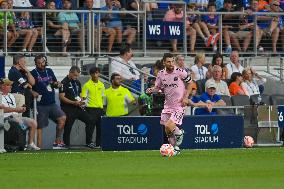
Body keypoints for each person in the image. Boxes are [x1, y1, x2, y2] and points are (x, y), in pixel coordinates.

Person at [146, 53, 193, 156]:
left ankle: (179, 134)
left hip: (179, 105)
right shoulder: (161, 74)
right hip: (167, 105)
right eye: (168, 62)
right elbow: (158, 87)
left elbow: (190, 83)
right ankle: (175, 148)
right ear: (164, 62)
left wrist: (186, 97)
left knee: (169, 125)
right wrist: (152, 89)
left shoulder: (180, 72)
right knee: (167, 129)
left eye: (172, 61)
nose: (171, 64)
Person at [30, 55, 66, 149]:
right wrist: (32, 91)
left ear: (45, 62)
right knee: (39, 127)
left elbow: (54, 83)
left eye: (42, 62)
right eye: (38, 63)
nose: (41, 64)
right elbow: (28, 87)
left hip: (52, 103)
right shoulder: (33, 73)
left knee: (62, 118)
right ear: (35, 63)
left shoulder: (49, 70)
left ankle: (57, 142)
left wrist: (57, 84)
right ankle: (39, 149)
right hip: (40, 105)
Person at [59, 66, 94, 148]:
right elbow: (61, 97)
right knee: (68, 127)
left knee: (90, 120)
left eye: (77, 75)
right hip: (68, 108)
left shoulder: (77, 82)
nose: (76, 77)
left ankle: (89, 142)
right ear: (70, 72)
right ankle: (66, 144)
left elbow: (80, 94)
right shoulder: (63, 82)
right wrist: (73, 102)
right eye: (75, 75)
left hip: (78, 108)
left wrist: (82, 101)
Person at [0, 78, 40, 150]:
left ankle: (30, 144)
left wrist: (21, 110)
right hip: (4, 118)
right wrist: (16, 109)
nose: (11, 86)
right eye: (8, 85)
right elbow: (3, 110)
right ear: (2, 86)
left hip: (15, 116)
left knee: (33, 122)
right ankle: (21, 145)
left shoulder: (11, 95)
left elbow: (13, 109)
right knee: (20, 123)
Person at [81, 67, 105, 148]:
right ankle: (89, 142)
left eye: (97, 73)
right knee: (90, 127)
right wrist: (84, 108)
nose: (95, 75)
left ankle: (99, 143)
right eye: (93, 73)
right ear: (90, 74)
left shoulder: (101, 85)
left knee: (100, 127)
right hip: (90, 109)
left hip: (100, 109)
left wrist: (103, 108)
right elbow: (83, 98)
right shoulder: (86, 85)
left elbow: (102, 97)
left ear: (99, 74)